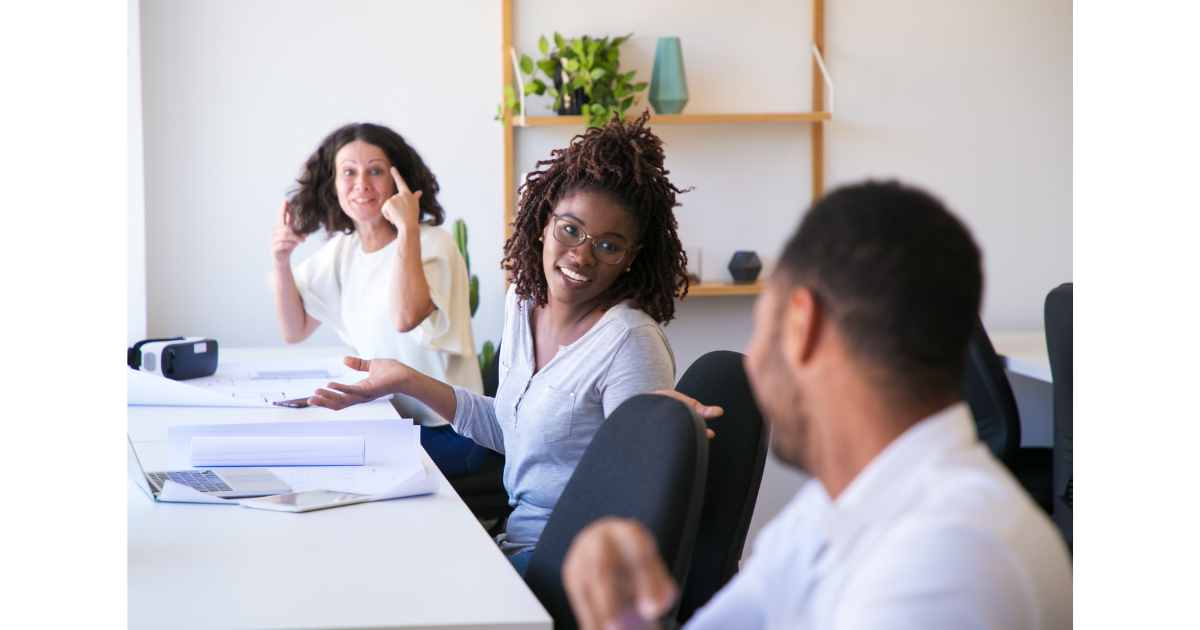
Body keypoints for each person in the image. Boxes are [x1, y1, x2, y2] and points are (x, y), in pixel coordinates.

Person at [561, 181, 1073, 629]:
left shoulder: (950, 556)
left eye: (761, 326)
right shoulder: (835, 506)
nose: (755, 366)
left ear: (801, 325)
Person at [307, 111, 709, 576]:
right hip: (517, 545)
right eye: (570, 229)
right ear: (544, 222)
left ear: (630, 259)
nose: (581, 254)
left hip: (572, 566)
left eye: (608, 245)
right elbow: (511, 430)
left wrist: (667, 439)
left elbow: (638, 505)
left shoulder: (630, 343)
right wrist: (406, 380)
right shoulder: (523, 303)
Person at [267, 123, 486, 478]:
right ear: (333, 185)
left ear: (398, 179)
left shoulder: (434, 244)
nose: (362, 184)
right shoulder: (343, 250)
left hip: (451, 431)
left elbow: (405, 316)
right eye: (349, 172)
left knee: (329, 464)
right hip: (389, 420)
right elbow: (294, 330)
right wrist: (280, 262)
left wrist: (408, 228)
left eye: (376, 171)